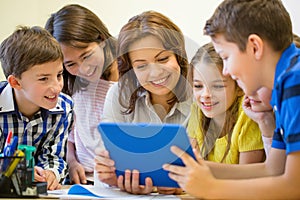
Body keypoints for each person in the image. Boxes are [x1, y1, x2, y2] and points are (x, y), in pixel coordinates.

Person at [163, 0, 300, 199]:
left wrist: (211, 188)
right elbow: (273, 169)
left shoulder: (295, 81)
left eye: (226, 57)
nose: (226, 70)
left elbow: (294, 187)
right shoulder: (282, 86)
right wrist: (195, 169)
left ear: (254, 47)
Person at [95, 10, 192, 195]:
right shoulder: (118, 94)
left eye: (163, 59)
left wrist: (184, 186)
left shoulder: (202, 94)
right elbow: (104, 165)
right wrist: (112, 177)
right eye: (141, 66)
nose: (155, 73)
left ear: (178, 56)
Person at [45, 4, 118, 185]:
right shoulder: (69, 83)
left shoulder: (128, 77)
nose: (83, 69)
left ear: (101, 40)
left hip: (123, 180)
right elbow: (69, 132)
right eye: (70, 64)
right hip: (84, 181)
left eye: (86, 56)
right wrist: (71, 161)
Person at [0, 26, 74, 190]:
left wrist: (51, 173)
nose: (56, 87)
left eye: (59, 75)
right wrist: (19, 171)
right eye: (43, 79)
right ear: (16, 83)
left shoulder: (64, 107)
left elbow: (53, 154)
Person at [188, 42, 264, 164]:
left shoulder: (248, 115)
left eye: (218, 86)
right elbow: (190, 161)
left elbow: (245, 177)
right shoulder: (197, 110)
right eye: (198, 86)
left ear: (239, 87)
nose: (205, 94)